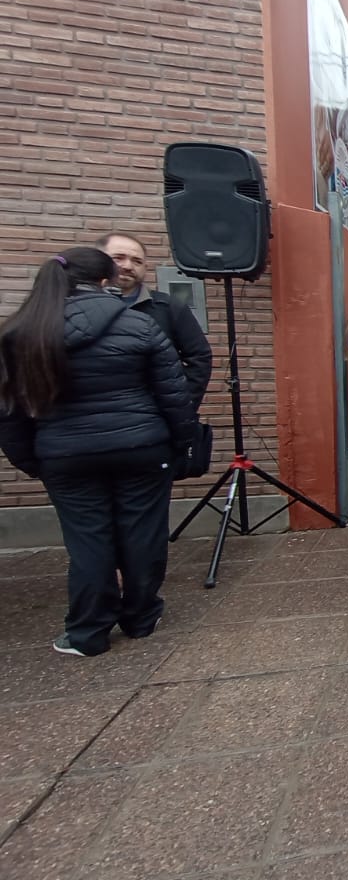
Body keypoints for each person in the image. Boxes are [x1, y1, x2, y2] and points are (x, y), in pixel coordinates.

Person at [0, 248, 195, 656]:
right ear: (106, 282)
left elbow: (10, 411)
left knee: (87, 541)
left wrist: (30, 459)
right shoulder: (139, 326)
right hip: (141, 446)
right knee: (143, 534)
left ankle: (88, 632)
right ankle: (142, 617)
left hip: (65, 454)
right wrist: (180, 443)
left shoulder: (20, 333)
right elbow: (174, 394)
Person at [96, 232, 212, 407]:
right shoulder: (76, 306)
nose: (128, 266)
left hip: (153, 416)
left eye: (137, 261)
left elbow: (199, 356)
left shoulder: (168, 307)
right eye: (118, 258)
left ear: (145, 267)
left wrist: (182, 403)